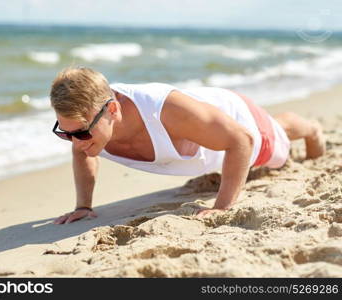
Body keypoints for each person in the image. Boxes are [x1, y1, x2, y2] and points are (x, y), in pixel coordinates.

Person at [50, 67, 326, 225]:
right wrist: (83, 206)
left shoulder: (162, 109)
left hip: (236, 119)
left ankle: (310, 128)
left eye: (82, 133)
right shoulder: (88, 127)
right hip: (205, 126)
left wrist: (222, 206)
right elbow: (81, 152)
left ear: (112, 110)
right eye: (66, 133)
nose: (76, 142)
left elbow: (242, 139)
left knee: (276, 150)